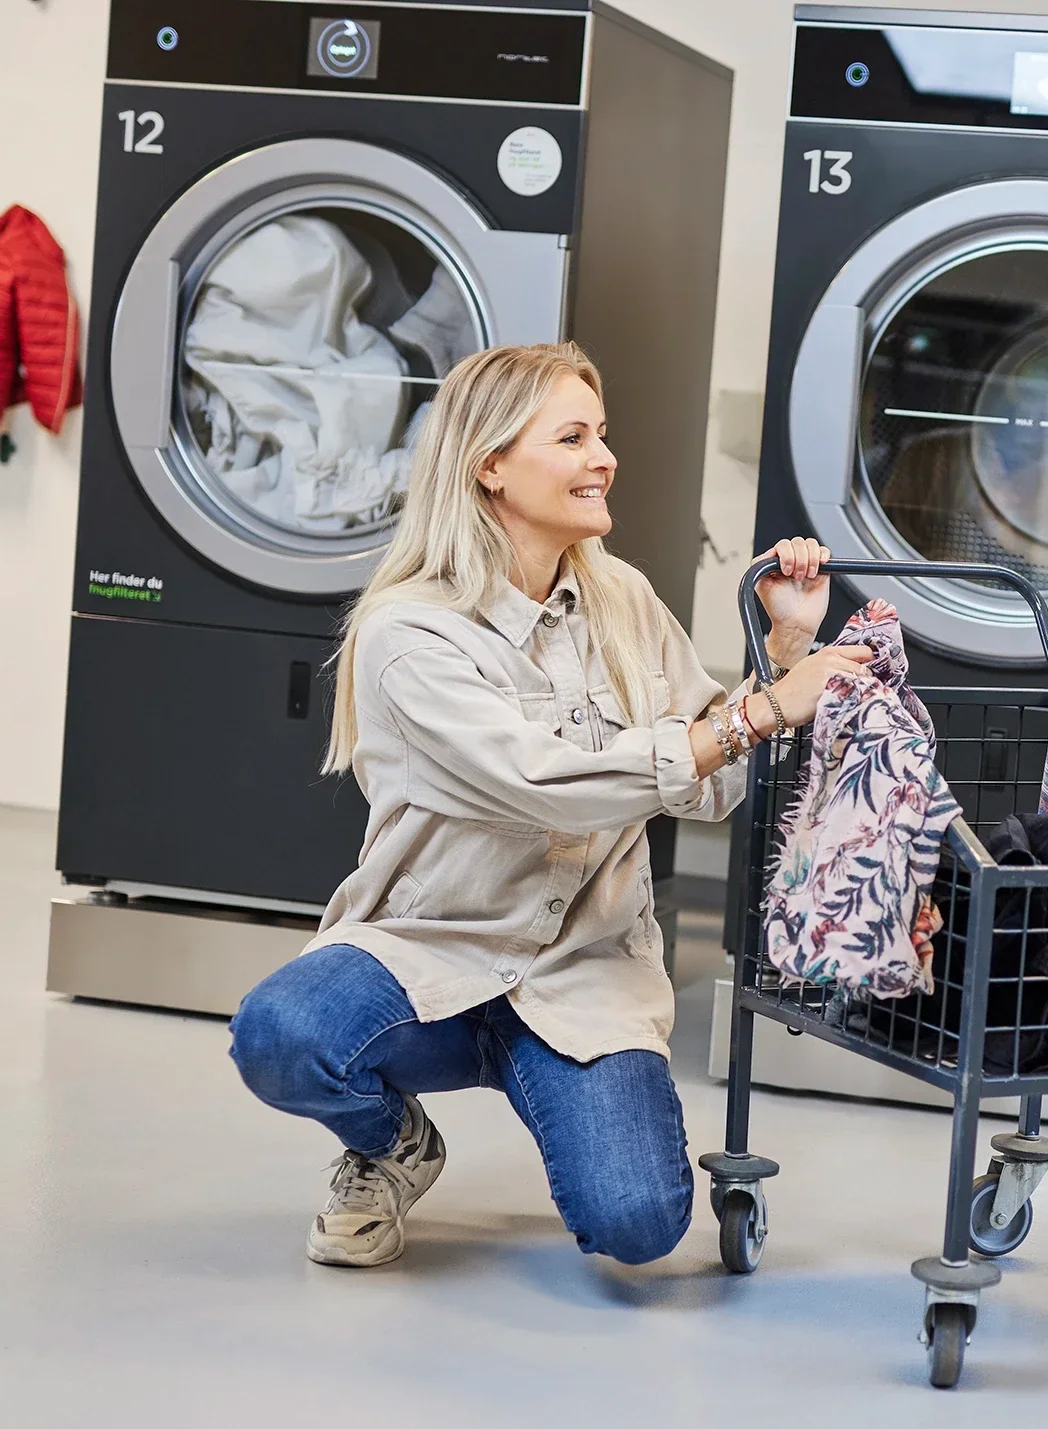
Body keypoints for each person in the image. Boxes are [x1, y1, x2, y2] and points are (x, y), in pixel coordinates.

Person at [228, 342, 869, 1272]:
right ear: (489, 464)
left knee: (639, 1227)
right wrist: (771, 704)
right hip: (431, 956)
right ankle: (389, 1145)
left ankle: (551, 1087)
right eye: (572, 438)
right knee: (283, 1034)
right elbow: (538, 786)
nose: (603, 458)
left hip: (584, 971)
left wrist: (784, 641)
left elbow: (717, 784)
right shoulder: (410, 632)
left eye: (601, 435)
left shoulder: (627, 602)